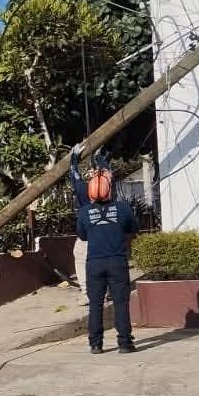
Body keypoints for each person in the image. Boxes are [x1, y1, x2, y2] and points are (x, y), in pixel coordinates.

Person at [76, 169, 139, 354]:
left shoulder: (84, 212)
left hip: (94, 263)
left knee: (95, 303)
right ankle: (125, 343)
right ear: (109, 188)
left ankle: (96, 344)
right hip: (117, 261)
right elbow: (133, 228)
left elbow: (83, 235)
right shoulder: (123, 208)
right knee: (121, 303)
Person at [69, 143, 110, 306]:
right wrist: (99, 157)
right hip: (106, 232)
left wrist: (73, 157)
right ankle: (104, 291)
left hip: (87, 234)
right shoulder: (107, 187)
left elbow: (74, 175)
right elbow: (107, 172)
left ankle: (87, 293)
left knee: (80, 257)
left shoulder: (84, 189)